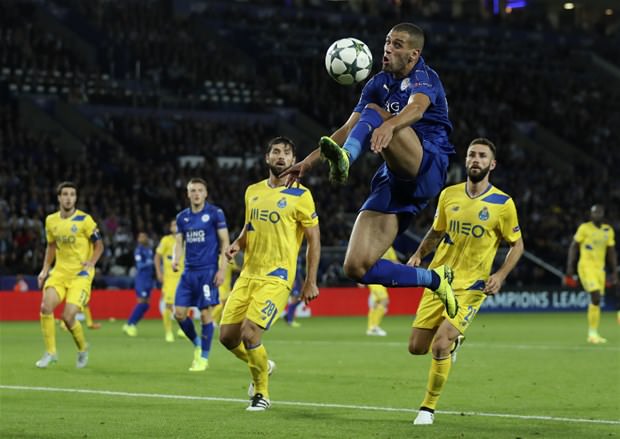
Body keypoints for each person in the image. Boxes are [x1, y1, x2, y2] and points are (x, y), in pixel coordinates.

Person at [283, 22, 457, 318]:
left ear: (414, 54)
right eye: (387, 41)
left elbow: (417, 108)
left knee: (375, 113)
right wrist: (308, 162)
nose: (387, 48)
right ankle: (435, 279)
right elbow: (348, 128)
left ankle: (347, 159)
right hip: (394, 179)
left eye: (397, 45)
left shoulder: (425, 77)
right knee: (356, 266)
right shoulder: (378, 83)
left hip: (427, 163)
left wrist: (389, 125)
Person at [406, 138, 524, 425]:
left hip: (472, 286)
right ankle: (455, 342)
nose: (476, 159)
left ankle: (427, 408)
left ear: (492, 164)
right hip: (438, 280)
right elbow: (436, 231)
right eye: (472, 154)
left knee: (440, 345)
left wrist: (499, 275)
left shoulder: (503, 204)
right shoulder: (449, 195)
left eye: (482, 156)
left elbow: (517, 244)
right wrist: (419, 254)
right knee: (417, 347)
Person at [219, 136, 321, 411]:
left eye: (287, 153)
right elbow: (249, 226)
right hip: (248, 274)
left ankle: (261, 394)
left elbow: (314, 240)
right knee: (227, 337)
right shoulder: (252, 191)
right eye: (276, 152)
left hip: (277, 276)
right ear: (267, 158)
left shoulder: (301, 195)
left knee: (250, 333)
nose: (281, 157)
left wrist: (310, 281)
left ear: (294, 160)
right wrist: (237, 244)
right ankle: (264, 364)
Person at [35, 181, 104, 368]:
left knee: (68, 317)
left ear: (76, 198)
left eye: (72, 195)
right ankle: (51, 352)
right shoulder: (51, 220)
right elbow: (51, 246)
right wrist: (45, 269)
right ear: (59, 198)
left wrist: (92, 262)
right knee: (45, 307)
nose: (68, 198)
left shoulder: (85, 220)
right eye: (65, 194)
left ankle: (82, 349)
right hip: (59, 273)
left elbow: (99, 245)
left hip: (80, 275)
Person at [172, 177, 230, 371]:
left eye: (199, 190)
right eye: (193, 191)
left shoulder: (215, 213)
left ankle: (203, 358)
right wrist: (175, 259)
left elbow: (225, 242)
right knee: (179, 313)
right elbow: (178, 242)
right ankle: (197, 343)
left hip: (208, 271)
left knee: (206, 315)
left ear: (205, 194)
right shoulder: (182, 217)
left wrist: (222, 269)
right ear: (188, 194)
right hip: (188, 272)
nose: (196, 194)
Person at [564, 205, 617, 344]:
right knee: (595, 295)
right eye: (594, 213)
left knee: (597, 301)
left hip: (600, 270)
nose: (596, 215)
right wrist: (570, 266)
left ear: (603, 214)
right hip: (586, 267)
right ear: (591, 214)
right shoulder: (584, 228)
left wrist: (614, 271)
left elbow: (611, 252)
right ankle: (592, 334)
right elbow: (573, 246)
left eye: (599, 212)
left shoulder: (608, 230)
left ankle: (594, 333)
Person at [155, 219, 184, 342]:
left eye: (177, 224)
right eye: (173, 224)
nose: (175, 226)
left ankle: (183, 329)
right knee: (168, 305)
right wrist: (159, 272)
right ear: (170, 227)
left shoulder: (185, 240)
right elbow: (157, 257)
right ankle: (168, 332)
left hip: (184, 277)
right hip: (170, 279)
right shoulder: (166, 240)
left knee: (184, 305)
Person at [122, 232, 155, 336]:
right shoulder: (138, 250)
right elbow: (139, 265)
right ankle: (130, 325)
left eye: (144, 236)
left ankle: (129, 324)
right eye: (140, 237)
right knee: (142, 302)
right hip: (142, 279)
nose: (142, 238)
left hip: (149, 279)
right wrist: (149, 262)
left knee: (146, 305)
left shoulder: (149, 250)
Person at [365, 246, 399, 336]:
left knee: (375, 304)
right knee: (384, 300)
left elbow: (394, 262)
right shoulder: (373, 246)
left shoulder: (389, 248)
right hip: (374, 278)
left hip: (382, 280)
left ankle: (371, 328)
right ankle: (374, 327)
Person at [211, 254, 241, 325]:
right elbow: (236, 268)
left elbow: (235, 268)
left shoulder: (228, 259)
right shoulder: (217, 258)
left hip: (226, 286)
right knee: (220, 304)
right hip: (219, 285)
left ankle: (217, 321)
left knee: (224, 304)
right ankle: (211, 319)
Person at [283, 254, 305, 328]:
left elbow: (299, 271)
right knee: (294, 300)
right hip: (293, 280)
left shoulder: (299, 257)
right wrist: (292, 280)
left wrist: (301, 281)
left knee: (299, 299)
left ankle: (287, 316)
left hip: (298, 280)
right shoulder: (291, 255)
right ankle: (290, 320)